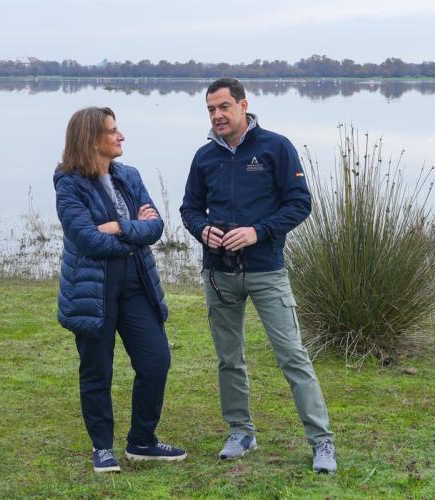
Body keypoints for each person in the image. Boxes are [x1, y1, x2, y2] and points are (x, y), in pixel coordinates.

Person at [180, 78, 337, 473]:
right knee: (229, 359)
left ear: (243, 105)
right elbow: (189, 209)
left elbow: (300, 204)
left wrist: (258, 231)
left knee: (292, 356)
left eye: (223, 107)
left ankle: (321, 440)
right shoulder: (204, 157)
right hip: (218, 274)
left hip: (266, 271)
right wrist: (202, 229)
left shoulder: (275, 147)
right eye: (210, 109)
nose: (217, 115)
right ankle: (240, 432)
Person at [54, 106, 186, 473]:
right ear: (91, 139)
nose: (121, 136)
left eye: (117, 129)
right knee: (97, 369)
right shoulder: (69, 184)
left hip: (136, 283)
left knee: (156, 360)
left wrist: (117, 227)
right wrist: (132, 231)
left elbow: (155, 227)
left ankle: (142, 441)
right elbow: (88, 241)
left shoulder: (129, 175)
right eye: (112, 131)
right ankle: (102, 448)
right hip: (93, 288)